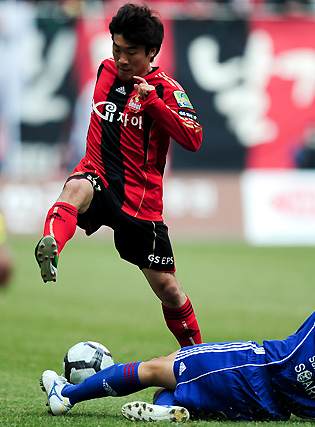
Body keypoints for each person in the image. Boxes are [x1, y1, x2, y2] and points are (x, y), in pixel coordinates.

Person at [40, 193, 315, 421]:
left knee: (161, 366)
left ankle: (66, 396)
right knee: (181, 379)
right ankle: (168, 410)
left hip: (260, 367)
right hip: (279, 406)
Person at [34, 3, 203, 347]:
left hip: (140, 202)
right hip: (97, 175)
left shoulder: (167, 90)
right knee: (76, 189)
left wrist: (153, 104)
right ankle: (51, 244)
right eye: (117, 49)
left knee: (169, 289)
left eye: (132, 52)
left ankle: (197, 357)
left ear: (152, 51)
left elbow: (193, 139)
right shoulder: (105, 71)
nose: (122, 59)